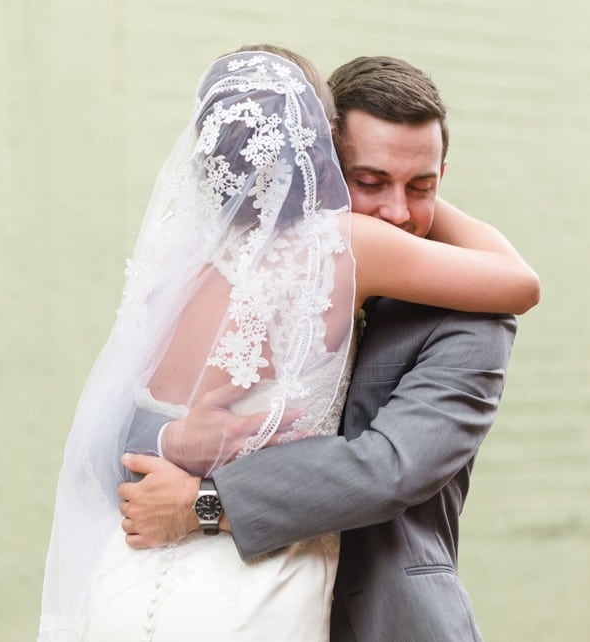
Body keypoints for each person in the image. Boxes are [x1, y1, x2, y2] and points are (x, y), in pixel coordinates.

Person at [39, 46, 538, 642]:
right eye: (370, 180)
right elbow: (117, 430)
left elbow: (390, 468)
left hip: (363, 616)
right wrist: (174, 437)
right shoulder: (329, 248)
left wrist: (201, 504)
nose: (398, 212)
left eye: (421, 185)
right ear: (323, 161)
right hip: (240, 599)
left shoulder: (467, 316)